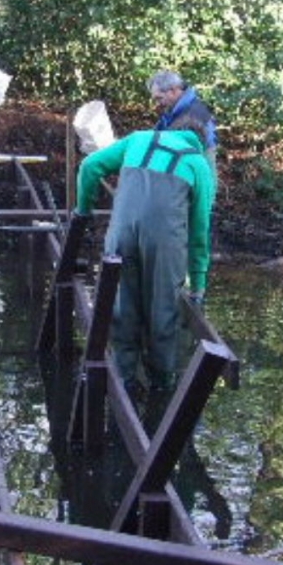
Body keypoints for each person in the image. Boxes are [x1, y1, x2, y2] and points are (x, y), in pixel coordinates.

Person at [72, 117, 216, 394]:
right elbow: (200, 231)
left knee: (121, 304)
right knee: (163, 311)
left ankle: (124, 379)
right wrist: (198, 285)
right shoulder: (198, 164)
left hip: (120, 234)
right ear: (199, 142)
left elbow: (89, 166)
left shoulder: (139, 139)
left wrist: (83, 210)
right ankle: (161, 385)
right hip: (165, 244)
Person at [149, 70, 218, 172]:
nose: (158, 103)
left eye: (159, 98)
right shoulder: (173, 110)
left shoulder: (193, 116)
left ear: (173, 90)